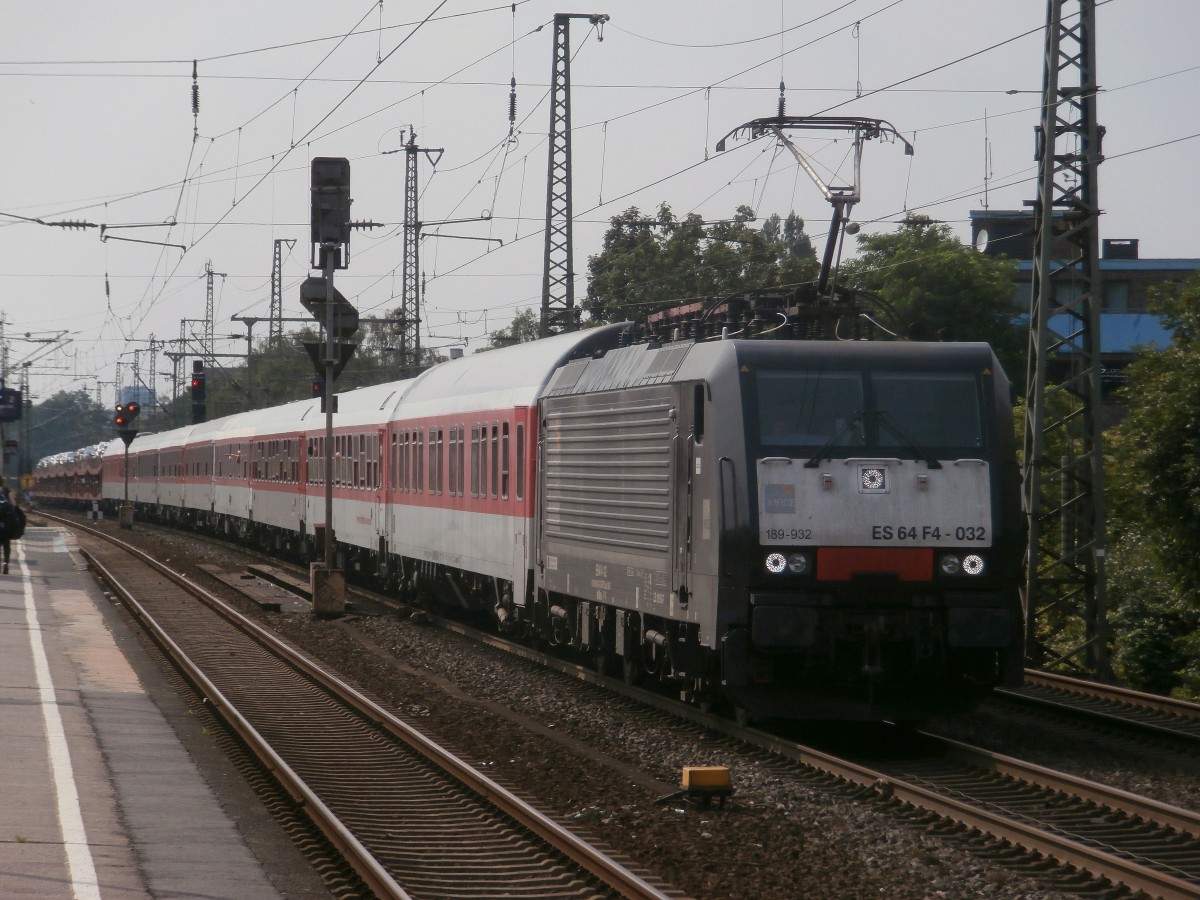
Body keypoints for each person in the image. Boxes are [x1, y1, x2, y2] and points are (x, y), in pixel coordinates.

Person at [0, 480, 18, 575]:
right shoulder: (7, 491)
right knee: (6, 545)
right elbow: (14, 505)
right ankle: (6, 563)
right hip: (6, 525)